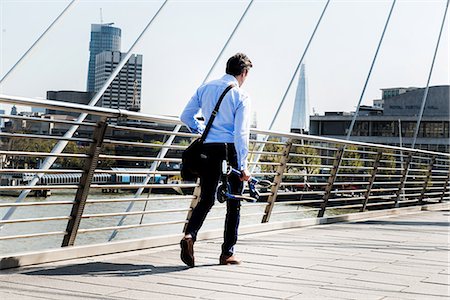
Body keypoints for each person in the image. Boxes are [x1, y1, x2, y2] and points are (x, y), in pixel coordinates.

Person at [179, 53, 253, 267]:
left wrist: (202, 129)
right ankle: (227, 253)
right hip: (229, 150)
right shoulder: (241, 95)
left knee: (207, 198)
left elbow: (185, 116)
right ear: (244, 72)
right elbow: (241, 134)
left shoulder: (205, 88)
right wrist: (243, 166)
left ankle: (190, 235)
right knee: (234, 202)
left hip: (208, 149)